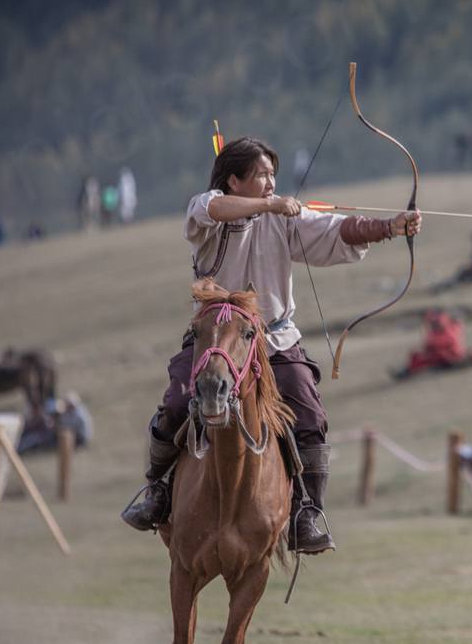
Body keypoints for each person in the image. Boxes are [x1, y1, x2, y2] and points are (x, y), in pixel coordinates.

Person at [121, 136, 422, 556]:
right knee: (176, 403)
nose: (270, 182)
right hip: (217, 339)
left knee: (309, 411)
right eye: (261, 175)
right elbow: (214, 208)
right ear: (234, 180)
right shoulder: (207, 210)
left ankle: (306, 513)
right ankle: (156, 491)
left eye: (272, 175)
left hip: (273, 338)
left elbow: (338, 230)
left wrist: (390, 226)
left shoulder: (283, 217)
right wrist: (270, 206)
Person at [393, 310, 472, 379]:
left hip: (451, 356)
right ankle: (406, 371)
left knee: (436, 357)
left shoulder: (451, 330)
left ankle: (409, 372)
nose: (434, 325)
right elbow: (427, 347)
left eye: (436, 323)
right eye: (433, 324)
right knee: (416, 356)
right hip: (437, 357)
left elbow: (450, 344)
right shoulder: (433, 334)